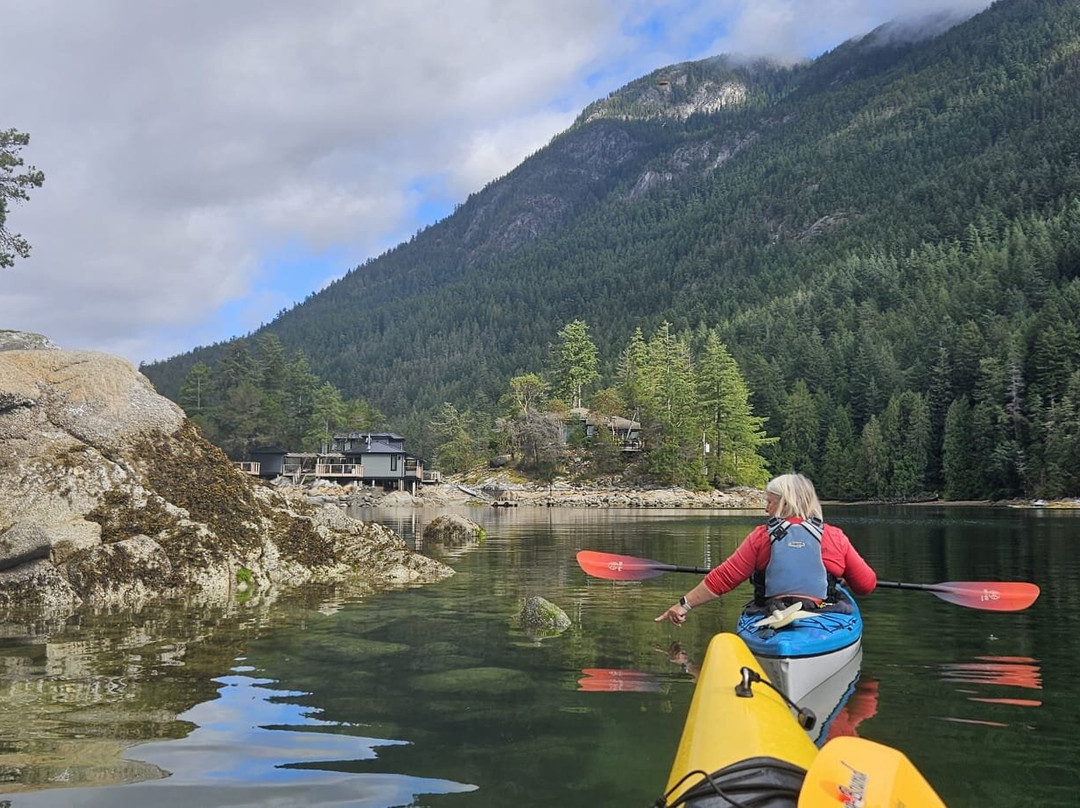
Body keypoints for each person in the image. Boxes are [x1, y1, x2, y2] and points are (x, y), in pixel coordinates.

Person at [655, 473, 876, 626]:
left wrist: (684, 605)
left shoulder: (762, 537)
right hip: (820, 615)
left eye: (770, 502)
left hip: (773, 614)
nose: (765, 508)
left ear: (784, 504)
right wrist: (843, 577)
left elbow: (724, 578)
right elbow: (866, 584)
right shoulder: (833, 536)